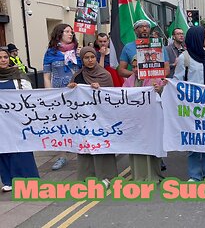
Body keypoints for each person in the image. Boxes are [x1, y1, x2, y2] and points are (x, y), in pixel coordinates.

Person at [67, 47, 118, 187]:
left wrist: (100, 89)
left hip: (101, 119)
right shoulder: (77, 76)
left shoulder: (105, 75)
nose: (90, 60)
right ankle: (87, 176)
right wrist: (71, 89)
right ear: (82, 59)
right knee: (85, 146)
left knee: (101, 145)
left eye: (92, 57)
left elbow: (111, 97)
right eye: (86, 58)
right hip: (84, 119)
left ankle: (107, 176)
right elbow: (72, 100)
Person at [173, 26, 205, 181]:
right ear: (196, 38)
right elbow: (178, 82)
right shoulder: (184, 58)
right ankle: (195, 174)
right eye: (204, 35)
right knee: (193, 141)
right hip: (192, 107)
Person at [43, 23, 82, 171]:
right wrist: (50, 93)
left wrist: (81, 55)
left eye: (71, 32)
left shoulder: (77, 51)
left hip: (77, 92)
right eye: (67, 31)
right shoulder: (51, 53)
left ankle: (82, 152)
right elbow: (47, 76)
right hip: (59, 92)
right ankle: (62, 155)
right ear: (59, 34)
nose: (70, 34)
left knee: (79, 121)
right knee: (61, 124)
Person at [0, 47, 39, 192]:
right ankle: (8, 180)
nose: (3, 60)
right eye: (0, 58)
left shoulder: (18, 76)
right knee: (3, 151)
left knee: (22, 150)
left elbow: (28, 97)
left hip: (17, 121)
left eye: (5, 57)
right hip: (1, 123)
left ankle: (29, 179)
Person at [123, 56, 165, 181]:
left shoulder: (154, 79)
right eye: (134, 67)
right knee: (136, 148)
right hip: (135, 121)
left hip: (150, 121)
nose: (136, 69)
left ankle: (153, 175)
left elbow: (165, 95)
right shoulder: (129, 81)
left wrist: (160, 89)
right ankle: (139, 175)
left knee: (151, 147)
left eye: (139, 66)